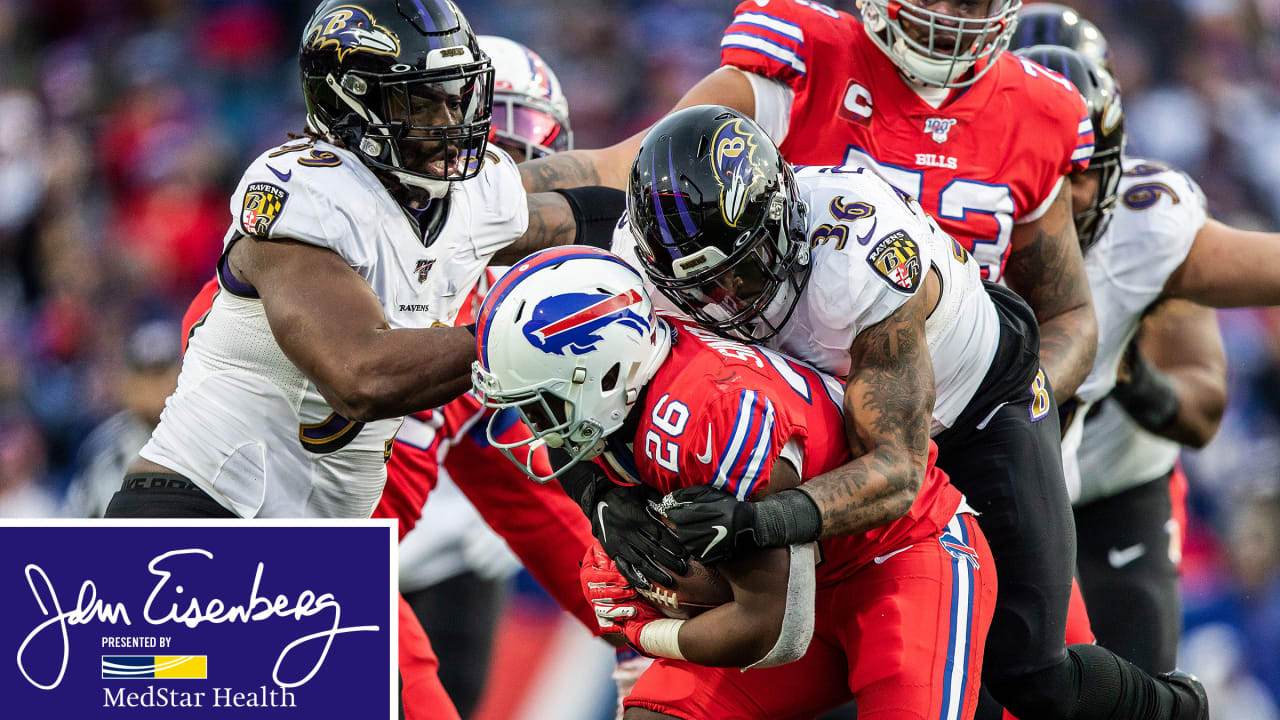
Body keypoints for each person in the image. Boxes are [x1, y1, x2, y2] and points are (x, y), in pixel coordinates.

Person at [614, 106, 1206, 720]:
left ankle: (1174, 709)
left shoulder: (857, 253)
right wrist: (601, 500)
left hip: (971, 413)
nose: (731, 299)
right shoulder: (636, 266)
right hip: (837, 437)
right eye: (704, 286)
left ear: (785, 219)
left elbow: (898, 468)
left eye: (746, 267)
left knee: (1028, 671)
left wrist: (756, 524)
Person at [109, 0, 623, 518]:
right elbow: (362, 377)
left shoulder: (459, 196)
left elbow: (601, 186)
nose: (448, 120)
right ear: (350, 102)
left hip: (316, 541)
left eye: (454, 97)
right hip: (200, 510)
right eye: (421, 102)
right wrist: (527, 330)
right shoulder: (307, 191)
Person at [471, 245, 997, 720]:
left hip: (898, 559)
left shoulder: (711, 416)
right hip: (802, 578)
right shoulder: (630, 383)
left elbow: (774, 631)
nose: (540, 430)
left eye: (545, 406)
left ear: (606, 375)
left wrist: (642, 631)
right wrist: (602, 498)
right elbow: (574, 443)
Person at [520, 0, 1098, 409]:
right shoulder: (809, 59)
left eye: (972, 3)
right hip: (786, 386)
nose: (950, 18)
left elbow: (1068, 312)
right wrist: (491, 193)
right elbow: (637, 169)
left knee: (1031, 586)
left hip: (952, 402)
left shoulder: (1039, 111)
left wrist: (1015, 396)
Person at [1013, 41, 1280, 675]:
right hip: (996, 494)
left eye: (1083, 169)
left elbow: (1203, 408)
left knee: (1131, 675)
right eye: (1049, 168)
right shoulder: (943, 220)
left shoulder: (1145, 233)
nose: (1069, 196)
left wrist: (1131, 379)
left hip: (1115, 486)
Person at [63, 320, 180, 518]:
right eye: (141, 373)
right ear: (125, 381)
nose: (150, 386)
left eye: (160, 373)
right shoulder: (103, 445)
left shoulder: (203, 437)